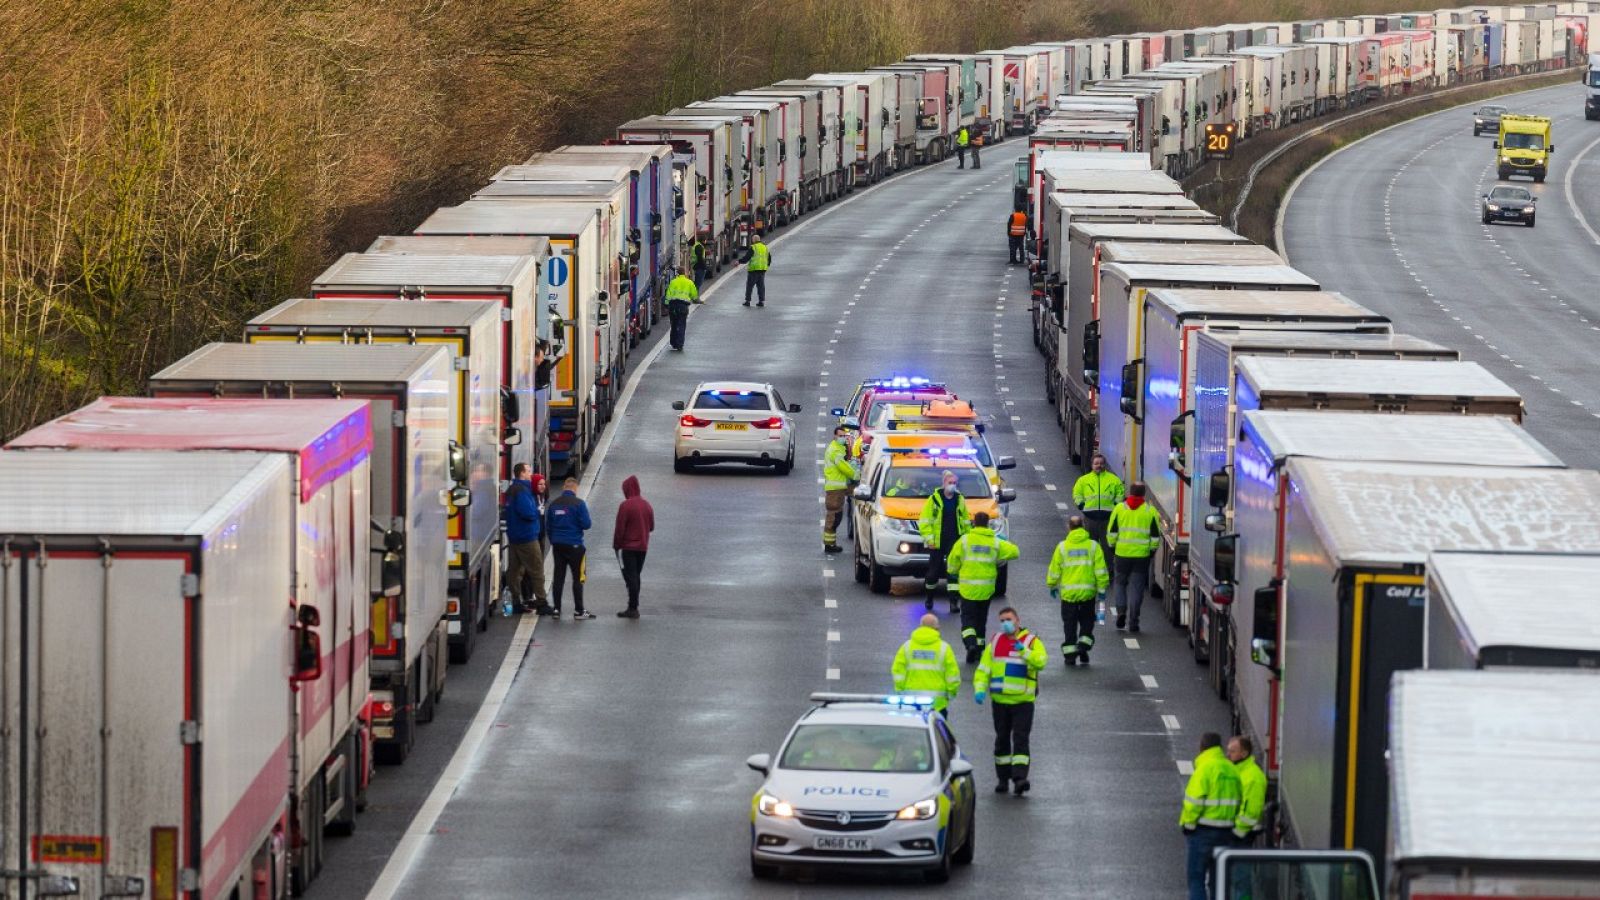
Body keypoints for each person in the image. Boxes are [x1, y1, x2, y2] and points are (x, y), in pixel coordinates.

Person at [974, 606, 1045, 796]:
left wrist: (1024, 652)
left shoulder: (1031, 641)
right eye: (1002, 620)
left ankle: (1020, 778)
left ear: (1017, 621)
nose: (1005, 623)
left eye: (1009, 619)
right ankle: (1003, 779)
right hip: (1000, 701)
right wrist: (980, 689)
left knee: (1021, 740)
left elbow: (1041, 662)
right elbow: (983, 668)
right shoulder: (995, 642)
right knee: (1002, 740)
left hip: (1023, 701)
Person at [946, 511, 1020, 662]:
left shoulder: (965, 541)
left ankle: (971, 644)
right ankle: (979, 649)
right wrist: (998, 555)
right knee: (981, 620)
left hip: (968, 589)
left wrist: (953, 571)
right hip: (986, 589)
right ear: (987, 523)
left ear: (973, 522)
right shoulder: (994, 542)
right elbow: (1015, 552)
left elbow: (953, 561)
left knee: (968, 620)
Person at [1181, 732, 1243, 900]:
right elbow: (1239, 799)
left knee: (1196, 879)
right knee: (1218, 882)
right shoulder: (1232, 769)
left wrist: (1188, 825)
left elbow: (1193, 802)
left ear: (1202, 747)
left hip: (1202, 833)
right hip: (1227, 833)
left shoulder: (1203, 769)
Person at [1047, 514, 1109, 667]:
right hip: (1087, 594)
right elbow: (1100, 570)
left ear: (1069, 528)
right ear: (1083, 527)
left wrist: (1052, 585)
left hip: (1068, 596)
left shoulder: (1062, 547)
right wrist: (1102, 589)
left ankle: (1070, 656)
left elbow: (1055, 570)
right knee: (1087, 622)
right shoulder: (1093, 546)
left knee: (1069, 625)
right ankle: (1083, 646)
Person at [1107, 481, 1160, 633]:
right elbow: (1155, 536)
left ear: (1130, 492)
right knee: (1137, 589)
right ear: (1144, 494)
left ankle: (1121, 611)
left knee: (1120, 584)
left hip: (1122, 554)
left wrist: (1113, 548)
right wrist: (1151, 551)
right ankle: (1133, 621)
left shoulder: (1119, 509)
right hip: (1141, 556)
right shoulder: (1150, 511)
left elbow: (1112, 532)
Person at [917, 470, 970, 614]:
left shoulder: (959, 500)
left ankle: (953, 602)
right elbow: (925, 522)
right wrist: (929, 539)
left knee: (953, 572)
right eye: (950, 483)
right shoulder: (934, 500)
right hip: (937, 542)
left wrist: (966, 539)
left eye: (954, 483)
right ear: (944, 483)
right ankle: (929, 598)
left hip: (954, 541)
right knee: (933, 573)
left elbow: (965, 521)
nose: (952, 486)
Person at [890, 613, 961, 716]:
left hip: (911, 702)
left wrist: (900, 691)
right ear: (936, 629)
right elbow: (953, 675)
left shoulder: (907, 647)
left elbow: (897, 670)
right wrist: (951, 694)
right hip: (937, 704)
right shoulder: (944, 648)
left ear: (920, 627)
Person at [545, 476, 594, 620]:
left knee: (558, 577)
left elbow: (549, 526)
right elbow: (586, 524)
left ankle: (556, 609)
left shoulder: (554, 504)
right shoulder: (579, 504)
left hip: (558, 545)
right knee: (578, 578)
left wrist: (554, 540)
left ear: (564, 488)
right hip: (575, 545)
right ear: (575, 488)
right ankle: (579, 611)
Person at [503, 463, 548, 614]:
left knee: (514, 571)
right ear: (522, 473)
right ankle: (541, 602)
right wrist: (537, 511)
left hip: (514, 536)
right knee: (536, 569)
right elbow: (528, 512)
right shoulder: (522, 490)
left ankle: (515, 602)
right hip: (527, 536)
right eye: (528, 471)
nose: (530, 473)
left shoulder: (511, 490)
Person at [612, 475, 654, 619]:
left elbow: (620, 529)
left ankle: (633, 607)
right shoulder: (647, 504)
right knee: (636, 576)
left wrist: (616, 545)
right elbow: (652, 527)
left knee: (631, 577)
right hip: (643, 547)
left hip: (628, 547)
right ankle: (633, 605)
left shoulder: (625, 506)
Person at [1072, 453, 1125, 556]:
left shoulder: (1113, 479)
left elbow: (1120, 492)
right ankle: (1091, 569)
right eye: (1096, 463)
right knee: (1091, 547)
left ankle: (1109, 570)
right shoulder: (1083, 480)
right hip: (1090, 518)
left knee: (1108, 548)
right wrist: (1081, 505)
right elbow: (1077, 493)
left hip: (1107, 519)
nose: (1099, 466)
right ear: (1092, 465)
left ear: (1104, 465)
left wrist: (1115, 504)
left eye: (1101, 463)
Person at [821, 424, 859, 553]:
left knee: (837, 515)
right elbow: (842, 466)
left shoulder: (839, 447)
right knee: (834, 516)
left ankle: (830, 543)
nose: (843, 438)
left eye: (844, 436)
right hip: (835, 488)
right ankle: (829, 545)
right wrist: (855, 474)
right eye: (840, 436)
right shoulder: (835, 450)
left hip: (840, 486)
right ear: (835, 436)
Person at [1229, 735, 1267, 846]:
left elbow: (1251, 812)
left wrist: (1235, 833)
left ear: (1244, 754)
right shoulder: (1238, 770)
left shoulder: (1253, 778)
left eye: (1233, 751)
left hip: (1241, 836)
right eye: (1228, 750)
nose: (1228, 754)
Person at [664, 269, 700, 351]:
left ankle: (673, 343)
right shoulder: (689, 282)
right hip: (683, 306)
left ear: (677, 273)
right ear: (685, 273)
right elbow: (694, 295)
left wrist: (666, 304)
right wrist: (696, 300)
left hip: (673, 306)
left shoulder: (673, 282)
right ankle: (680, 344)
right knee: (681, 325)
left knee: (674, 324)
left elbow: (668, 294)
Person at [742, 232, 770, 307]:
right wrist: (766, 266)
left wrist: (739, 261)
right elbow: (769, 259)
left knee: (749, 286)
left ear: (753, 240)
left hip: (753, 270)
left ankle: (747, 301)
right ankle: (761, 301)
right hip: (762, 270)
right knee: (761, 286)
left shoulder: (753, 247)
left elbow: (746, 258)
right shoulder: (765, 247)